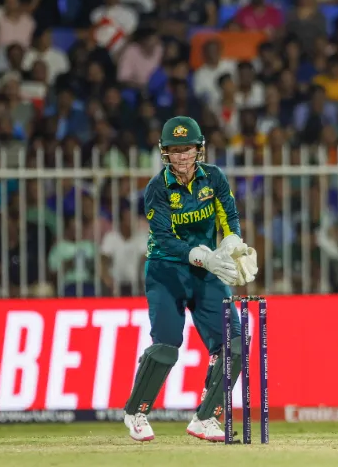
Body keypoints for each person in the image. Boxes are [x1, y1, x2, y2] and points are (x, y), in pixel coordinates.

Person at [123, 116, 258, 442]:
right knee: (167, 346)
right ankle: (135, 412)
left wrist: (232, 243)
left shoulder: (214, 177)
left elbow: (229, 215)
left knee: (236, 345)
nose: (182, 157)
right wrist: (204, 256)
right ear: (165, 153)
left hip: (206, 274)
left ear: (199, 150)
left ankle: (206, 418)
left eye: (187, 150)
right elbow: (165, 238)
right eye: (175, 150)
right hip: (166, 272)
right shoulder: (156, 188)